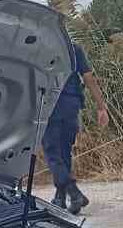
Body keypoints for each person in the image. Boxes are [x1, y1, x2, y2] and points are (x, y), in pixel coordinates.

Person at [42, 32, 109, 214]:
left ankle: (74, 192)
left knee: (52, 153)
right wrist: (101, 107)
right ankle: (60, 199)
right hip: (72, 105)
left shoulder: (38, 47)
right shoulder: (74, 48)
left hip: (50, 106)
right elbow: (89, 79)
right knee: (64, 152)